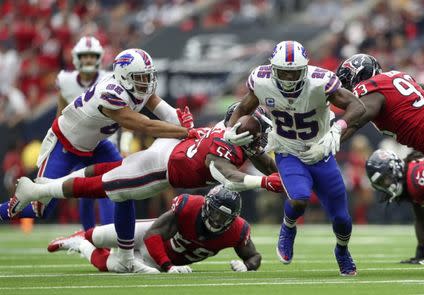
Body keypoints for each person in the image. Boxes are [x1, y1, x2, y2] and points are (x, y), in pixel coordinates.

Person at [10, 105, 282, 272]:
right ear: (245, 135)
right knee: (107, 186)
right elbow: (231, 177)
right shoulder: (224, 152)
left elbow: (263, 159)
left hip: (170, 149)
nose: (263, 140)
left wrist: (285, 179)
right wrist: (264, 182)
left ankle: (49, 187)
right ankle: (39, 191)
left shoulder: (228, 130)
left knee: (113, 170)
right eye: (260, 134)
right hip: (163, 169)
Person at [4, 47, 197, 271]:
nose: (147, 82)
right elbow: (143, 124)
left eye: (148, 76)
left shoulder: (134, 85)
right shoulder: (111, 93)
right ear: (125, 77)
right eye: (141, 77)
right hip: (65, 144)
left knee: (126, 185)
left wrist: (186, 124)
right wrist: (183, 132)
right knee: (41, 209)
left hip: (96, 145)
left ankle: (126, 259)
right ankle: (3, 210)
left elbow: (163, 109)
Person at [224, 40, 365, 276]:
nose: (289, 78)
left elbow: (357, 106)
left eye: (294, 72)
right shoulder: (261, 80)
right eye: (284, 72)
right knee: (299, 198)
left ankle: (342, 251)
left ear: (305, 69)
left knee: (342, 219)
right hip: (287, 150)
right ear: (273, 69)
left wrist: (337, 129)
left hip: (320, 152)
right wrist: (229, 129)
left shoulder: (320, 82)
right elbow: (242, 109)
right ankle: (288, 228)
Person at [47, 186, 261, 274]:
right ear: (205, 205)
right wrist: (167, 267)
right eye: (214, 212)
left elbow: (254, 256)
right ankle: (82, 235)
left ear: (233, 219)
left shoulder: (237, 230)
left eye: (223, 217)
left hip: (156, 260)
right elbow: (152, 235)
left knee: (114, 267)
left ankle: (80, 245)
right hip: (153, 240)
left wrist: (247, 266)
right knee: (102, 235)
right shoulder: (190, 207)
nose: (216, 219)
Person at [336, 53, 424, 175]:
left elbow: (358, 117)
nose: (347, 90)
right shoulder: (397, 77)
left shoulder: (371, 91)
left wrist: (331, 139)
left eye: (346, 83)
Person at [55, 36, 116, 230]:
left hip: (105, 142)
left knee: (107, 188)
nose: (89, 60)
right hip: (78, 144)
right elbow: (60, 116)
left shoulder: (109, 79)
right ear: (76, 58)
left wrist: (124, 143)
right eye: (85, 56)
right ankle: (89, 235)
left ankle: (109, 234)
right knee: (84, 191)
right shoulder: (65, 81)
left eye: (92, 56)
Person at [366, 150, 424, 265]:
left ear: (394, 168)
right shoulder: (411, 178)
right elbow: (422, 220)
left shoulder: (417, 175)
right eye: (380, 184)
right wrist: (420, 255)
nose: (385, 185)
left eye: (384, 179)